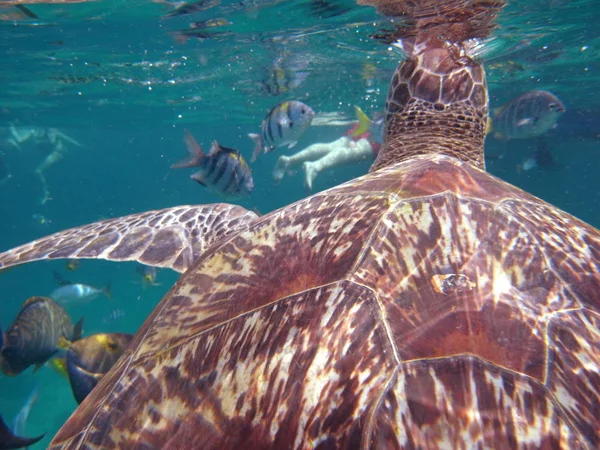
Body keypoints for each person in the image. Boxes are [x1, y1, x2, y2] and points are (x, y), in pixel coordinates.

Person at [272, 107, 383, 190]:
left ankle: (290, 160)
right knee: (357, 151)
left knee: (331, 146)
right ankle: (315, 166)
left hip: (373, 123)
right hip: (382, 132)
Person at [3, 125, 83, 204]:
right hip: (46, 154)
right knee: (36, 170)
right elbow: (20, 140)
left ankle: (45, 193)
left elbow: (67, 139)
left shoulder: (52, 131)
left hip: (57, 152)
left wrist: (80, 146)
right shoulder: (35, 131)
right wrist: (12, 130)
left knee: (38, 171)